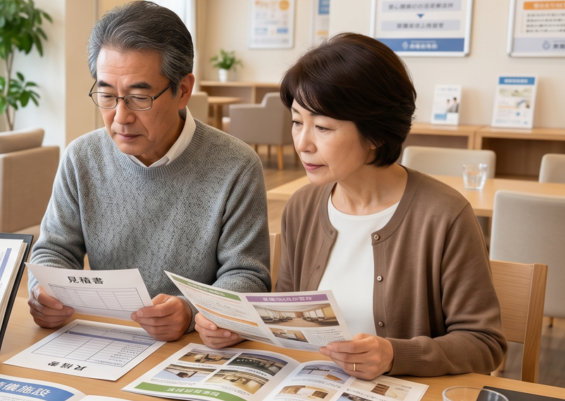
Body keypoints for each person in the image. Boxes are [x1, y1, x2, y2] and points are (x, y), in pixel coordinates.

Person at [195, 33, 505, 379]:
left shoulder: (444, 215)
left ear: (375, 134)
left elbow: (484, 344)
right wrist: (242, 328)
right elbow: (285, 313)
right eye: (297, 121)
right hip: (311, 392)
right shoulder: (303, 206)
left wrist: (393, 355)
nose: (303, 143)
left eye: (323, 127)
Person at [27, 1, 271, 342]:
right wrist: (44, 292)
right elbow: (54, 250)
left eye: (139, 98)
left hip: (192, 346)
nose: (120, 116)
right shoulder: (82, 156)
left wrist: (189, 311)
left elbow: (247, 273)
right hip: (105, 339)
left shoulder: (236, 165)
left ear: (183, 90)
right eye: (107, 94)